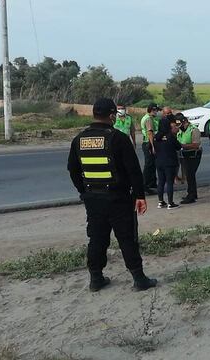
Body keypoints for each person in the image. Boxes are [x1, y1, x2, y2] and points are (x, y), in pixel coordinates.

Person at [67, 98, 157, 292]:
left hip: (93, 199)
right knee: (127, 238)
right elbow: (133, 171)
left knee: (97, 239)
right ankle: (139, 279)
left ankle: (96, 279)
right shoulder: (118, 138)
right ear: (111, 116)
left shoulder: (79, 139)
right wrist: (140, 196)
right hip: (119, 199)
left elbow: (72, 170)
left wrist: (84, 192)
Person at [154, 116, 182, 209]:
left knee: (161, 182)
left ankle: (161, 201)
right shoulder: (170, 136)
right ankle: (170, 203)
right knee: (169, 182)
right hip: (169, 162)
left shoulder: (156, 137)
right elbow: (178, 146)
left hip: (159, 162)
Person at [176, 113, 202, 204]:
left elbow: (196, 145)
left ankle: (191, 196)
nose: (180, 127)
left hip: (194, 154)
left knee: (190, 174)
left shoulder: (194, 130)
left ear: (186, 122)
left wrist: (182, 146)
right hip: (185, 154)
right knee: (189, 175)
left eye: (182, 125)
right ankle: (193, 193)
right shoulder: (180, 130)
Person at [140, 103, 160, 194]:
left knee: (152, 164)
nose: (157, 112)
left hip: (148, 142)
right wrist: (152, 146)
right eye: (156, 110)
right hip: (148, 143)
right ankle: (144, 185)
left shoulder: (149, 118)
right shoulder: (148, 119)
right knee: (149, 165)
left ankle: (152, 183)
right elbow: (150, 133)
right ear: (152, 110)